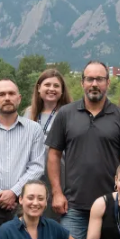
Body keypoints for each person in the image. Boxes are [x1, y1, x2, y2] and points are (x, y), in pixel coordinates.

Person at [46, 60, 120, 239]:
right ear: (82, 83)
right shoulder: (66, 114)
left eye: (99, 79)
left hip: (112, 205)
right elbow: (53, 155)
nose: (94, 84)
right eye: (90, 79)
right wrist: (57, 193)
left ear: (107, 82)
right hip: (74, 206)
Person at [0, 79, 46, 230]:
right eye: (2, 94)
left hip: (24, 204)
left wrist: (14, 192)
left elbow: (37, 167)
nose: (7, 98)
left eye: (11, 94)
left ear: (19, 98)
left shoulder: (34, 129)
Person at [24, 69, 73, 220]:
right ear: (39, 88)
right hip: (34, 175)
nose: (51, 89)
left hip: (62, 174)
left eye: (56, 86)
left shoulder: (69, 113)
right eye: (47, 85)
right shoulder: (29, 113)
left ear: (62, 90)